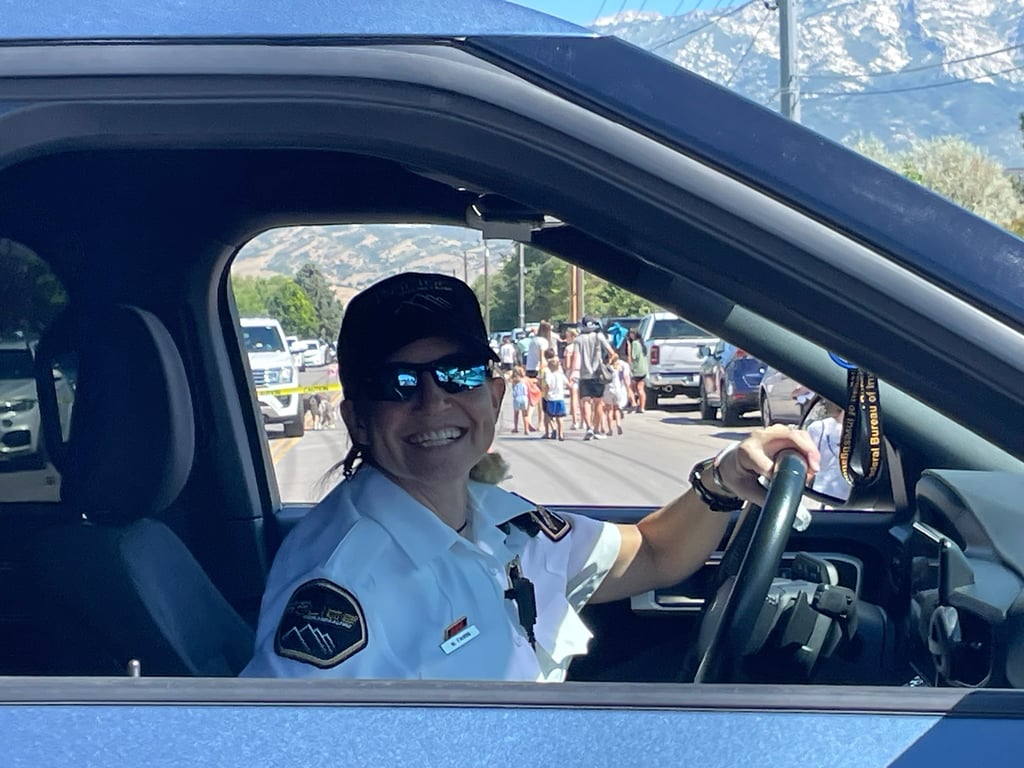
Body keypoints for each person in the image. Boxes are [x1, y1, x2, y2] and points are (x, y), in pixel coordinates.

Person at [242, 272, 821, 681]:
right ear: (358, 420)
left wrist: (720, 480)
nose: (433, 401)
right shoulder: (341, 585)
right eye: (398, 382)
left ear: (495, 395)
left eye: (457, 373)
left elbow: (651, 555)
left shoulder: (498, 519)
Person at [575, 315, 615, 441]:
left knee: (585, 401)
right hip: (598, 374)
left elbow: (576, 358)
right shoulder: (599, 336)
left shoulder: (578, 340)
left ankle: (589, 428)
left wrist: (572, 372)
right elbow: (612, 353)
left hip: (584, 374)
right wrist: (608, 364)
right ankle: (597, 429)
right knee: (598, 403)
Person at [541, 352, 570, 441]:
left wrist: (545, 393)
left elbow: (548, 385)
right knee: (559, 417)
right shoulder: (561, 375)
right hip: (560, 398)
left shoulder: (550, 376)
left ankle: (551, 429)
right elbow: (568, 384)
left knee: (548, 415)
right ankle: (561, 434)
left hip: (551, 398)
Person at [626, 328, 648, 413]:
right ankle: (642, 407)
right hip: (644, 368)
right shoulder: (642, 343)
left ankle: (634, 403)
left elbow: (633, 357)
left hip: (636, 369)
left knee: (630, 387)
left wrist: (629, 348)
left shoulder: (635, 343)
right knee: (640, 389)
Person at [510, 365, 534, 433]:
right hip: (524, 398)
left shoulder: (514, 380)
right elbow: (532, 381)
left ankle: (516, 428)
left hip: (517, 398)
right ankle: (526, 429)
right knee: (525, 415)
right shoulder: (525, 380)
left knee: (516, 414)